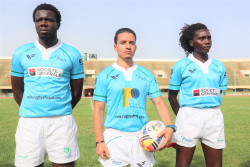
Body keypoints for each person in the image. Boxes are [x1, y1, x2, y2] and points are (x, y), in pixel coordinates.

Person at [11, 3, 84, 167]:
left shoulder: (72, 53)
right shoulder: (21, 52)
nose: (43, 23)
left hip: (61, 123)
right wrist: (33, 108)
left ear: (58, 23)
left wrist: (59, 109)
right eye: (39, 20)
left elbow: (77, 92)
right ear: (35, 23)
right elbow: (17, 91)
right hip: (29, 124)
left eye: (48, 20)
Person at [93, 28, 175, 167]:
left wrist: (170, 126)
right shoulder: (104, 75)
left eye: (131, 42)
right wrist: (99, 141)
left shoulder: (147, 74)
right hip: (114, 135)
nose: (127, 46)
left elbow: (159, 102)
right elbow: (99, 109)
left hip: (142, 135)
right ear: (115, 46)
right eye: (123, 42)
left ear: (135, 46)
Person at [168, 23, 227, 167]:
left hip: (214, 117)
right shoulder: (181, 65)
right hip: (189, 117)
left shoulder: (219, 66)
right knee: (183, 165)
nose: (207, 41)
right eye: (202, 38)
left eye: (209, 38)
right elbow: (172, 96)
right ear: (191, 42)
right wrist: (182, 115)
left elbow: (217, 92)